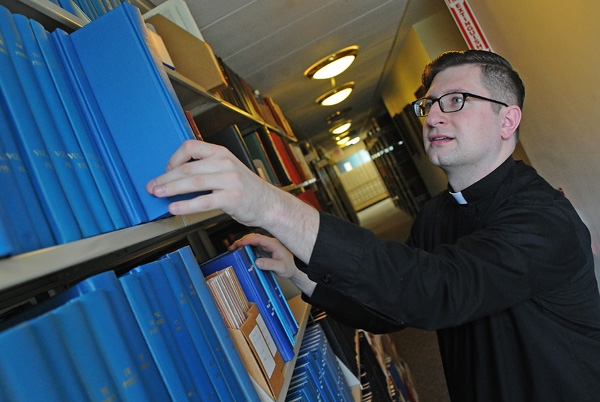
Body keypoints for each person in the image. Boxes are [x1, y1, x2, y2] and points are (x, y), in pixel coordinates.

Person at [147, 50, 600, 401]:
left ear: (509, 119)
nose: (435, 116)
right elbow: (392, 307)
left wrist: (271, 204)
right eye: (429, 106)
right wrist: (297, 270)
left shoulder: (545, 218)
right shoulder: (438, 214)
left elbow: (434, 289)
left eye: (456, 101)